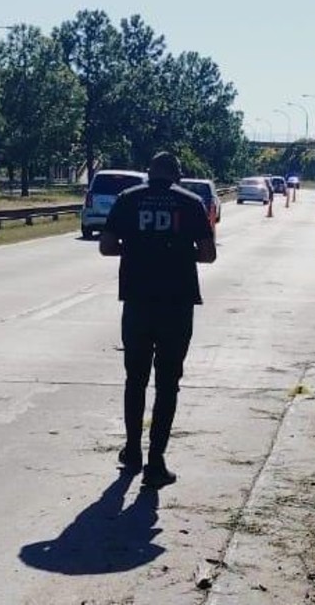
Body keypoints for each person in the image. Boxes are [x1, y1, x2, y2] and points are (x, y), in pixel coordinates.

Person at [99, 152, 217, 488]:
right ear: (177, 175)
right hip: (177, 303)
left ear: (149, 173)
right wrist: (176, 252)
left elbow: (107, 246)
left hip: (137, 301)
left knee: (134, 379)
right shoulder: (191, 202)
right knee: (168, 383)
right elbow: (208, 254)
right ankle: (156, 462)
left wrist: (139, 249)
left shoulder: (128, 199)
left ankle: (132, 450)